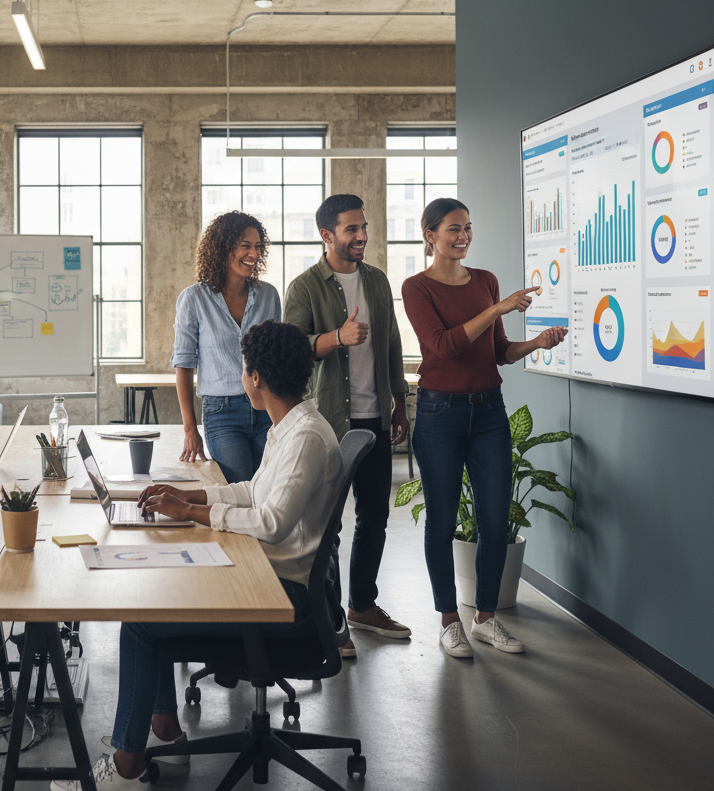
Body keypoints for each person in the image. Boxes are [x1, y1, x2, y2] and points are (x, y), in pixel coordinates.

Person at [51, 320, 342, 791]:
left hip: (285, 601)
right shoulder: (290, 425)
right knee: (156, 595)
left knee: (140, 623)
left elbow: (270, 522)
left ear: (255, 377)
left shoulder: (306, 437)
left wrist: (190, 513)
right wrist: (190, 496)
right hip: (266, 577)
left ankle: (127, 770)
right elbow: (252, 492)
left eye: (244, 368)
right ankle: (165, 735)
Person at [401, 199, 567, 659]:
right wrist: (498, 309)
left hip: (489, 411)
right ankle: (449, 621)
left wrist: (535, 343)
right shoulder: (416, 287)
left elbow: (498, 353)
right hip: (439, 413)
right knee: (441, 520)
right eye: (454, 229)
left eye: (468, 228)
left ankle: (485, 619)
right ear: (431, 235)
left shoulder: (486, 281)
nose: (464, 236)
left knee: (495, 521)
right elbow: (443, 346)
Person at [283, 193, 410, 656]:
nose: (361, 236)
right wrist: (337, 337)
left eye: (364, 227)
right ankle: (330, 620)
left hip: (374, 418)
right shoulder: (304, 287)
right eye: (351, 229)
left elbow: (391, 344)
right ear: (327, 235)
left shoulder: (377, 281)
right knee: (328, 525)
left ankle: (363, 606)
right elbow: (292, 349)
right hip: (331, 421)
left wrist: (400, 403)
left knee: (375, 517)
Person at [171, 211, 281, 483]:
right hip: (222, 414)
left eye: (258, 246)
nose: (254, 254)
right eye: (245, 246)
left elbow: (277, 357)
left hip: (267, 409)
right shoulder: (194, 299)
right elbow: (184, 365)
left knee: (268, 489)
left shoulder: (269, 295)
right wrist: (190, 430)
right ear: (222, 248)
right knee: (239, 490)